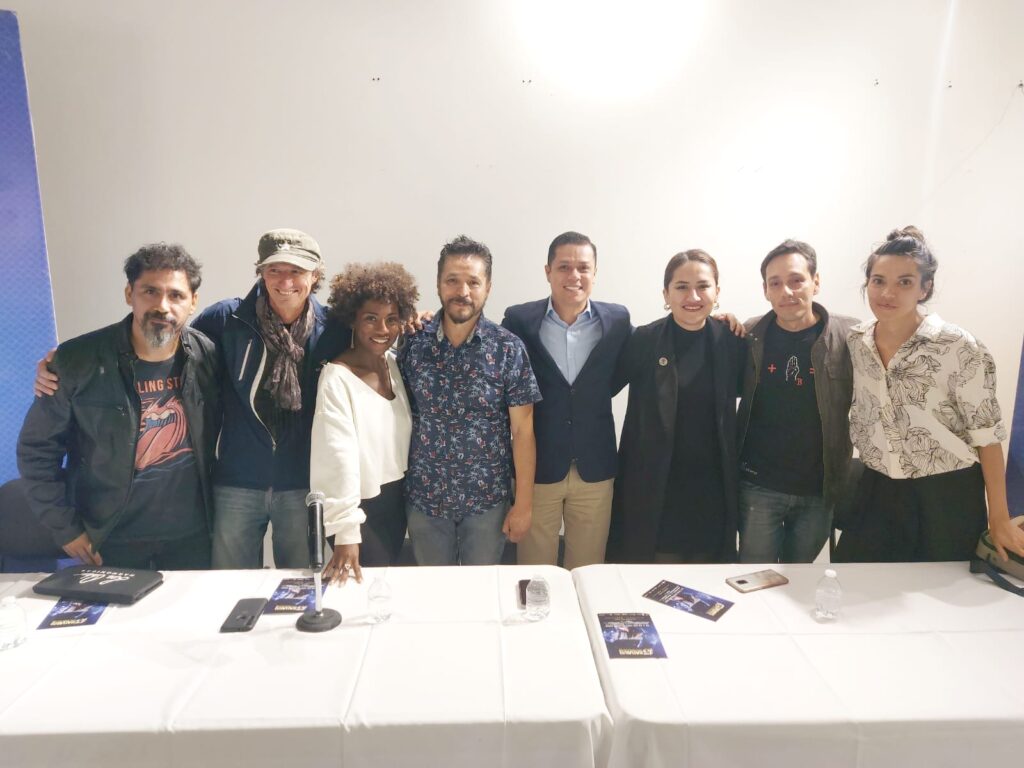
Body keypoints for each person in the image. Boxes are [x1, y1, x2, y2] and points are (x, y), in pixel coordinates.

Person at [17, 243, 221, 569]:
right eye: (150, 292)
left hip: (194, 539)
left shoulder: (207, 356)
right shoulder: (78, 360)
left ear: (193, 301)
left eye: (176, 295)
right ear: (129, 294)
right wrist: (66, 529)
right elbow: (37, 451)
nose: (162, 306)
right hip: (111, 539)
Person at [835, 227, 1024, 563]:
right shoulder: (855, 342)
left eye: (904, 282)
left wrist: (999, 517)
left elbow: (987, 436)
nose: (888, 293)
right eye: (878, 281)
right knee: (857, 584)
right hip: (876, 491)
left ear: (925, 288)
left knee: (942, 590)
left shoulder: (957, 346)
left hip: (946, 495)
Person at [190, 229, 351, 569]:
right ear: (261, 272)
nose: (285, 281)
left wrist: (418, 320)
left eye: (296, 270)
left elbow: (380, 347)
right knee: (229, 585)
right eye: (275, 270)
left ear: (315, 275)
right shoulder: (226, 320)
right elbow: (175, 357)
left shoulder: (336, 329)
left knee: (300, 585)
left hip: (303, 483)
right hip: (237, 481)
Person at [399, 235, 542, 566]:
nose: (462, 291)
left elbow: (523, 431)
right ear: (438, 284)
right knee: (432, 590)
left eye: (473, 282)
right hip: (425, 500)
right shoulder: (412, 344)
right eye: (452, 280)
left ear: (487, 288)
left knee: (482, 591)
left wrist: (523, 505)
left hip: (487, 503)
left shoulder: (508, 349)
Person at [502, 231, 631, 569]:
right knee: (535, 573)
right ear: (548, 272)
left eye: (583, 267)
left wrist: (725, 322)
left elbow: (635, 362)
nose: (574, 275)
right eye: (564, 267)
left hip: (595, 468)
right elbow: (486, 346)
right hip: (538, 469)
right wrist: (429, 318)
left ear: (595, 273)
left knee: (588, 570)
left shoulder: (617, 321)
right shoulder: (519, 321)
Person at [608, 249, 746, 563]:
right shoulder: (644, 340)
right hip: (654, 484)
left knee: (709, 580)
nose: (693, 296)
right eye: (681, 287)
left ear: (717, 292)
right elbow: (602, 390)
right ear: (666, 294)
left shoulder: (732, 342)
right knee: (653, 576)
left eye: (703, 286)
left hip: (712, 488)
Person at [736, 239, 857, 563]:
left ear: (816, 282)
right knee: (754, 579)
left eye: (796, 280)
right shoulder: (749, 335)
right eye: (775, 283)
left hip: (819, 491)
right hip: (758, 487)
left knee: (799, 582)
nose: (786, 291)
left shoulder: (850, 336)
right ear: (765, 290)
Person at [310, 262, 419, 584]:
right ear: (353, 320)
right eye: (371, 318)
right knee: (361, 592)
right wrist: (346, 532)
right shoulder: (336, 377)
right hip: (358, 510)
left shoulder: (393, 365)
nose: (382, 329)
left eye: (391, 319)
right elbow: (336, 458)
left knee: (382, 589)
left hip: (394, 503)